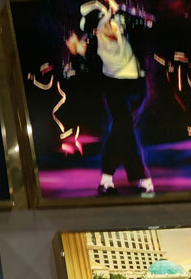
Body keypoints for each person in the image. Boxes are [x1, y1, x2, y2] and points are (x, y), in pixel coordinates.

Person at [66, 0, 154, 195]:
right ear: (96, 31)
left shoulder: (124, 23)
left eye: (109, 22)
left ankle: (106, 181)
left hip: (137, 85)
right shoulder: (92, 44)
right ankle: (144, 179)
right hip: (114, 87)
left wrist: (120, 9)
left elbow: (148, 22)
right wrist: (77, 54)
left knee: (120, 130)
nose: (110, 27)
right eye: (104, 25)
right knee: (125, 128)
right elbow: (83, 74)